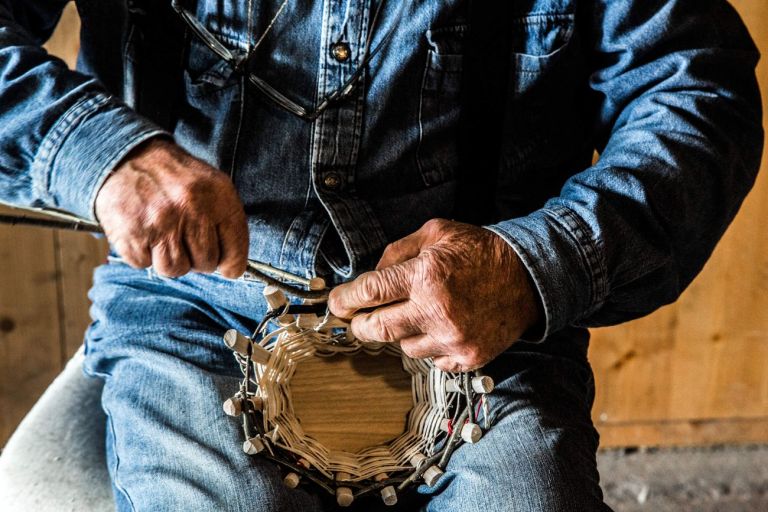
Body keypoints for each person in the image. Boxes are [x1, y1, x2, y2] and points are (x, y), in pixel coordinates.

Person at [0, 0, 762, 510]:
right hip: (200, 309)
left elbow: (696, 91)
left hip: (480, 312)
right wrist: (97, 151)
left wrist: (536, 263)